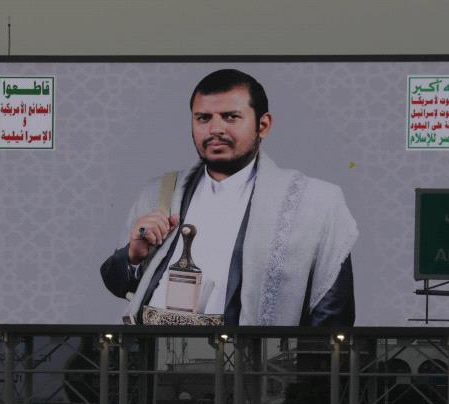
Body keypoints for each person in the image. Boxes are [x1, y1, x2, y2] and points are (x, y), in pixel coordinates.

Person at [100, 69, 358, 326]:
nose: (215, 129)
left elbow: (332, 315)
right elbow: (118, 284)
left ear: (263, 125)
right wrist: (133, 256)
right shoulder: (159, 192)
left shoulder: (316, 202)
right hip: (154, 348)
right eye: (203, 118)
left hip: (250, 351)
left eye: (230, 117)